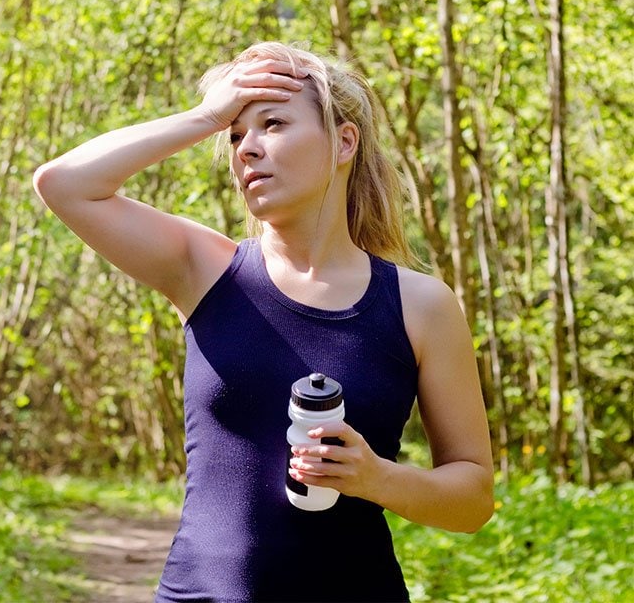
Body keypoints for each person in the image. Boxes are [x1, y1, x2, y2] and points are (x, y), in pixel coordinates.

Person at [33, 42, 493, 602]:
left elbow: (472, 498)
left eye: (272, 123)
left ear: (344, 142)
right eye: (234, 134)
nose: (247, 148)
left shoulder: (420, 305)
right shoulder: (205, 271)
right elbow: (63, 184)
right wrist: (205, 116)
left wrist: (377, 479)